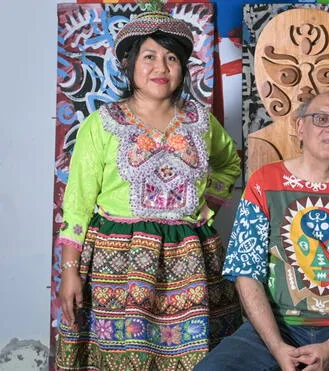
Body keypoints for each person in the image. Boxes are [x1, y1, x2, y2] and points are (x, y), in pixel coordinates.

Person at [55, 11, 242, 370]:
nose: (162, 67)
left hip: (190, 261)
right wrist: (69, 272)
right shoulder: (103, 123)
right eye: (150, 56)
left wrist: (209, 204)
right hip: (119, 264)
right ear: (129, 64)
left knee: (196, 358)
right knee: (124, 357)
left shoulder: (200, 120)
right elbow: (77, 202)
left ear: (184, 68)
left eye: (172, 58)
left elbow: (228, 163)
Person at [195, 91, 329, 371]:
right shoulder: (265, 182)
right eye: (321, 119)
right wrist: (276, 346)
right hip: (276, 327)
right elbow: (246, 273)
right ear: (300, 127)